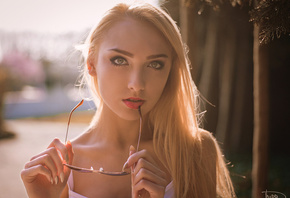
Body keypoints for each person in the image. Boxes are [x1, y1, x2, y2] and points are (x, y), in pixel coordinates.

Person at [21, 2, 236, 198]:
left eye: (155, 64)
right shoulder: (61, 169)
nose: (137, 84)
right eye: (120, 60)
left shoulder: (195, 152)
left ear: (170, 71)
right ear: (92, 64)